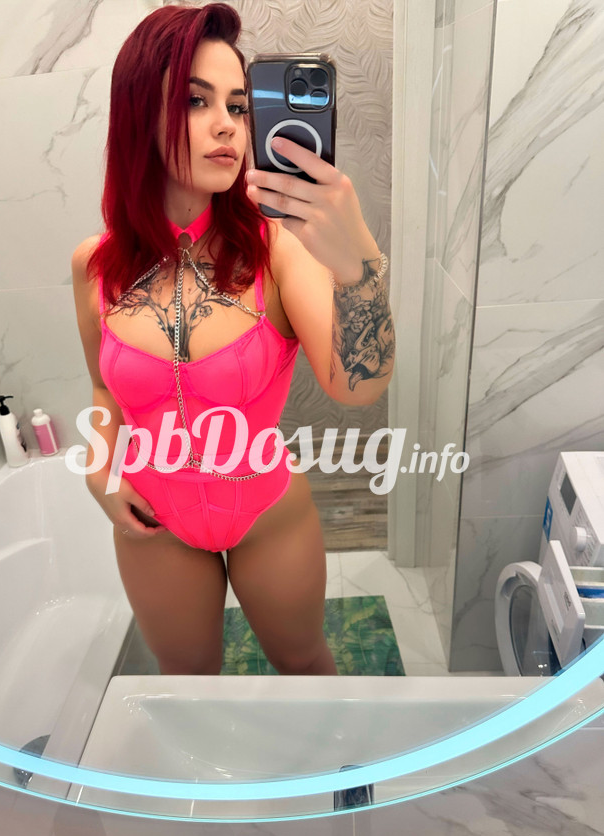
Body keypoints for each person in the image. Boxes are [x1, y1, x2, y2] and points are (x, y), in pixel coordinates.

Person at [71, 3, 394, 676]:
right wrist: (100, 474)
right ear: (137, 116)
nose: (227, 125)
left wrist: (358, 264)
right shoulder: (93, 266)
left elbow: (358, 387)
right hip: (155, 524)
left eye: (239, 106)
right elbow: (103, 388)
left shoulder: (278, 250)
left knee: (305, 664)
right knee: (187, 687)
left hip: (265, 511)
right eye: (196, 101)